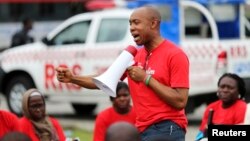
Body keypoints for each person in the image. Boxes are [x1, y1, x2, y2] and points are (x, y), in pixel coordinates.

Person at [56, 6, 189, 141]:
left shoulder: (175, 55)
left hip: (167, 127)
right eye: (130, 23)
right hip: (142, 129)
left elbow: (180, 101)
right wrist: (73, 78)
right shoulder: (134, 56)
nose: (131, 28)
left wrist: (145, 78)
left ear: (153, 23)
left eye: (136, 22)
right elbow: (103, 80)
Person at [195, 73, 247, 141]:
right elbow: (200, 134)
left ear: (239, 91)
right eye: (222, 87)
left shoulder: (243, 108)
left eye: (230, 88)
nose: (225, 90)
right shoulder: (211, 107)